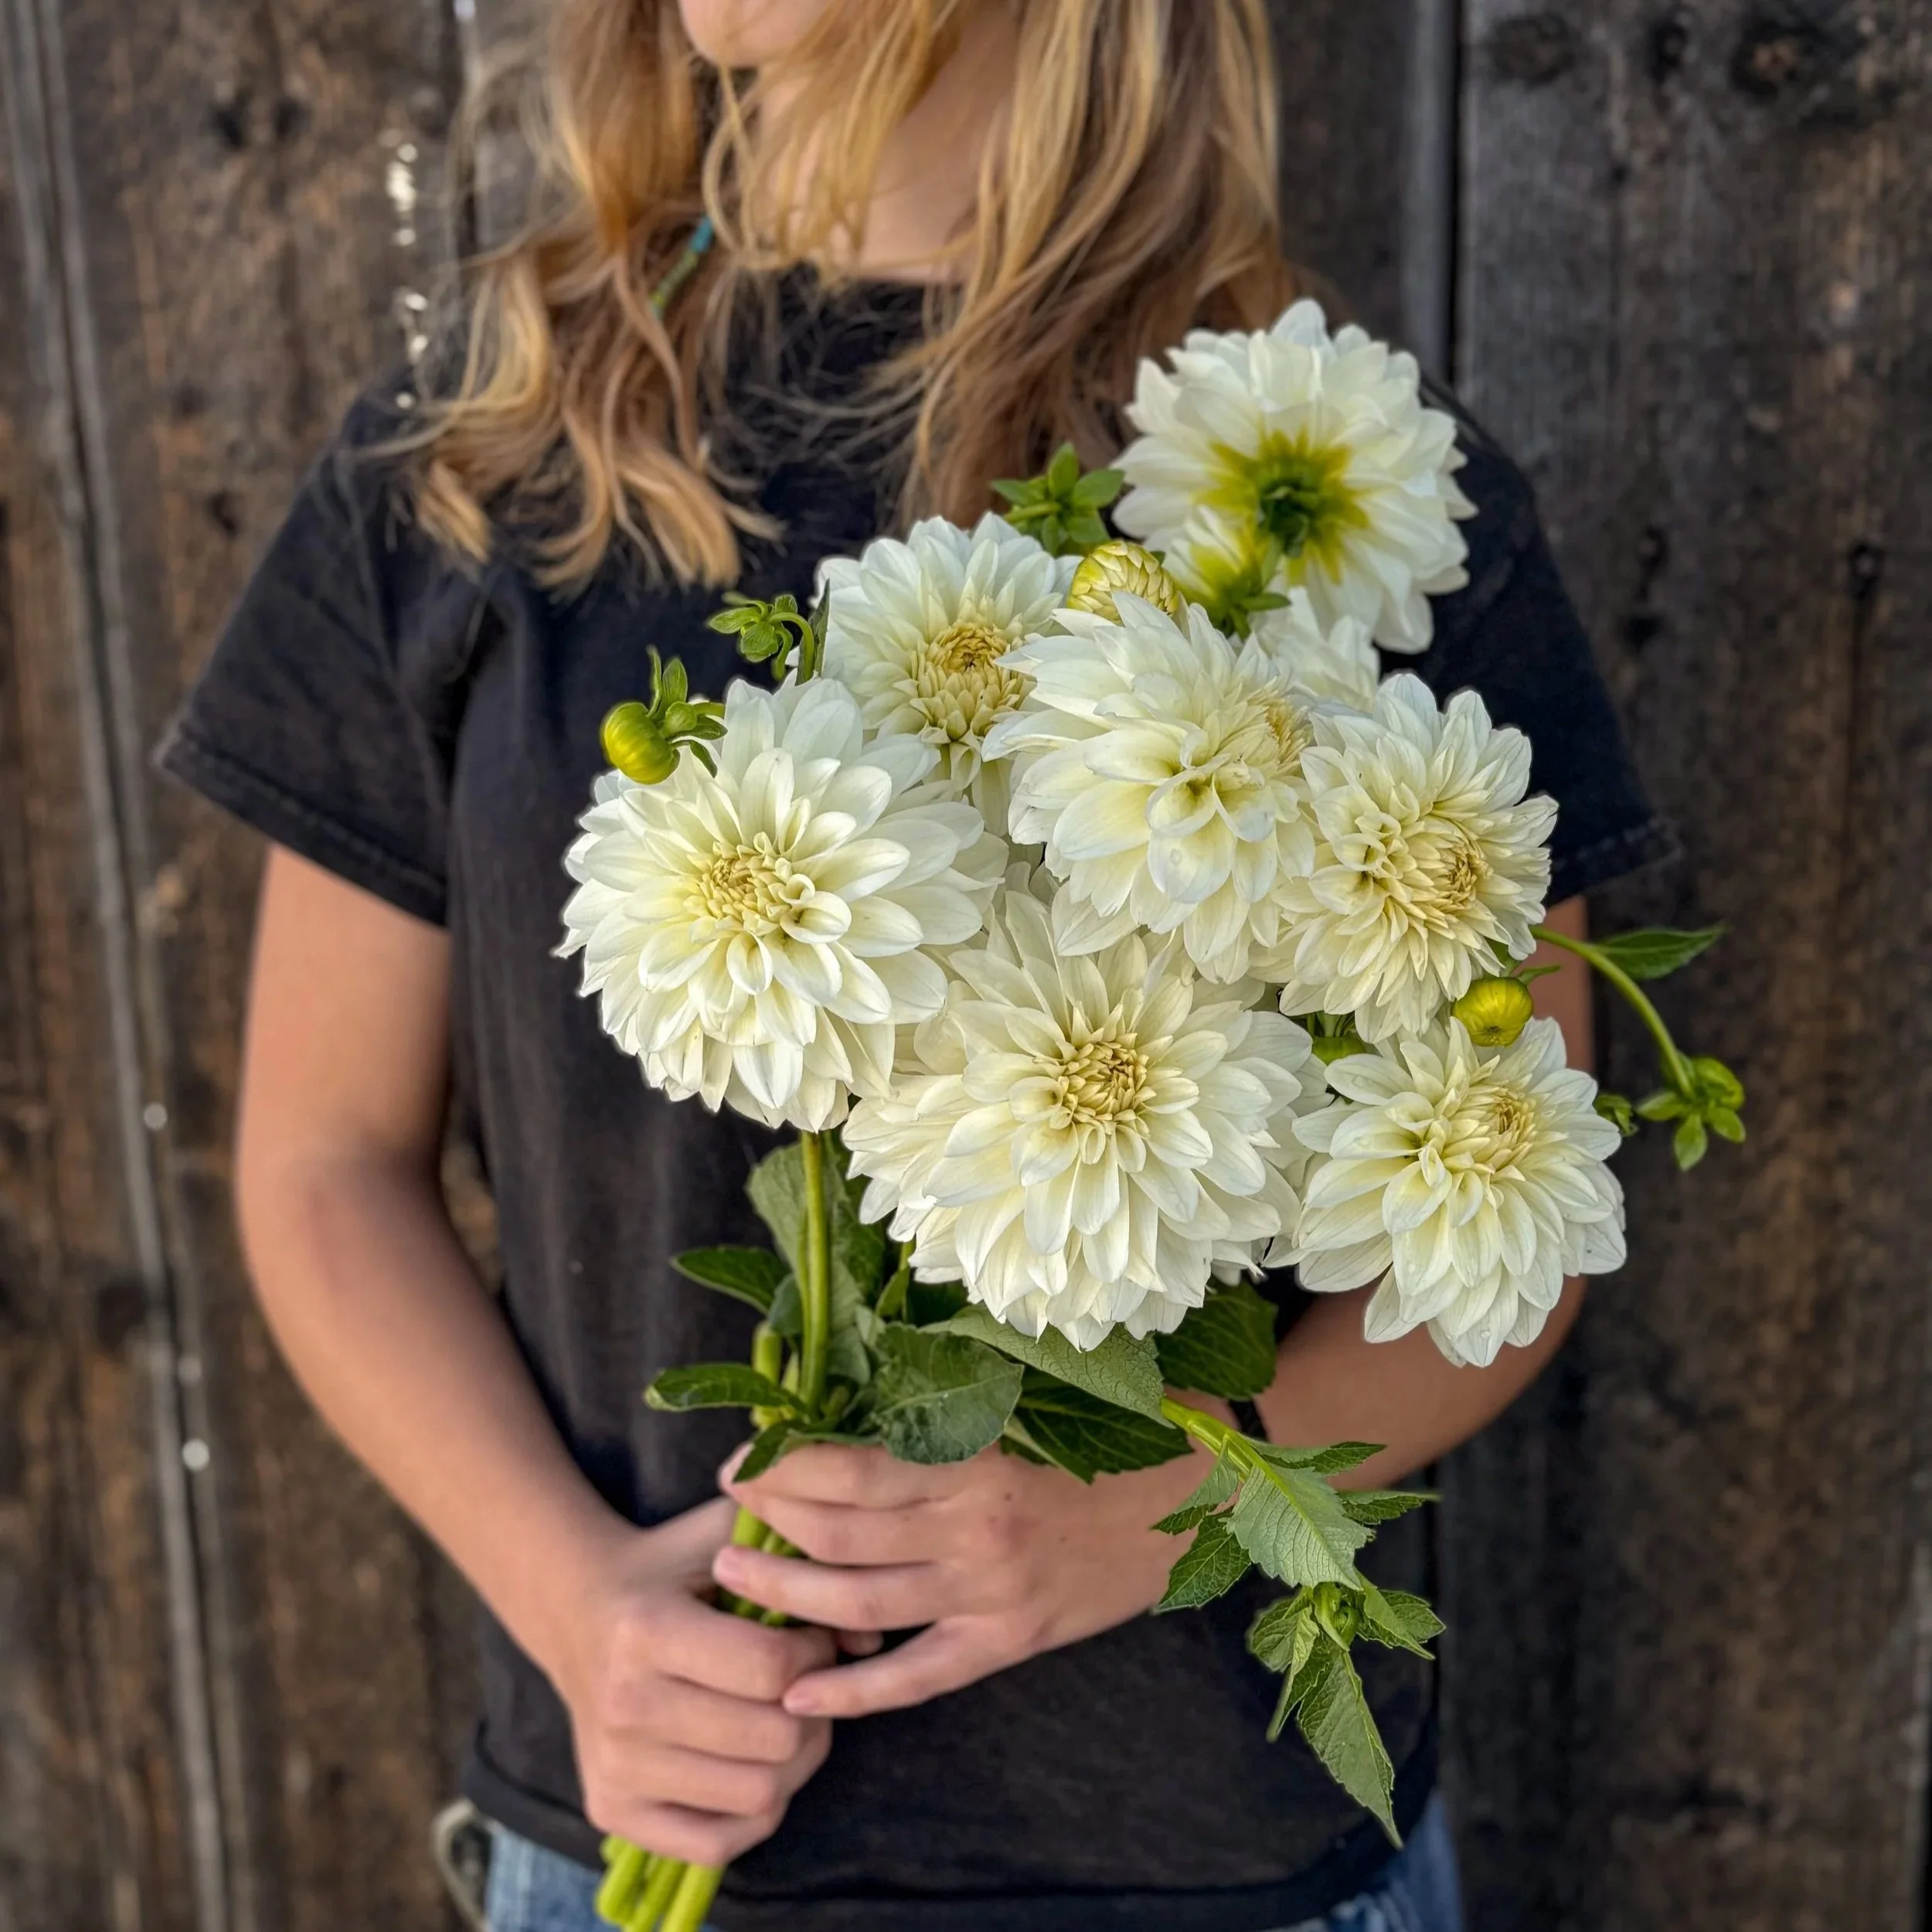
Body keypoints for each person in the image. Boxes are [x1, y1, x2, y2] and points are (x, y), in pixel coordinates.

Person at [160, 2, 1673, 1928]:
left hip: (1210, 1867)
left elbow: (1506, 1206)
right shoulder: (486, 455)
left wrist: (1140, 1518)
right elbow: (323, 1160)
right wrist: (577, 1600)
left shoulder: (1328, 482)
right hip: (644, 1817)